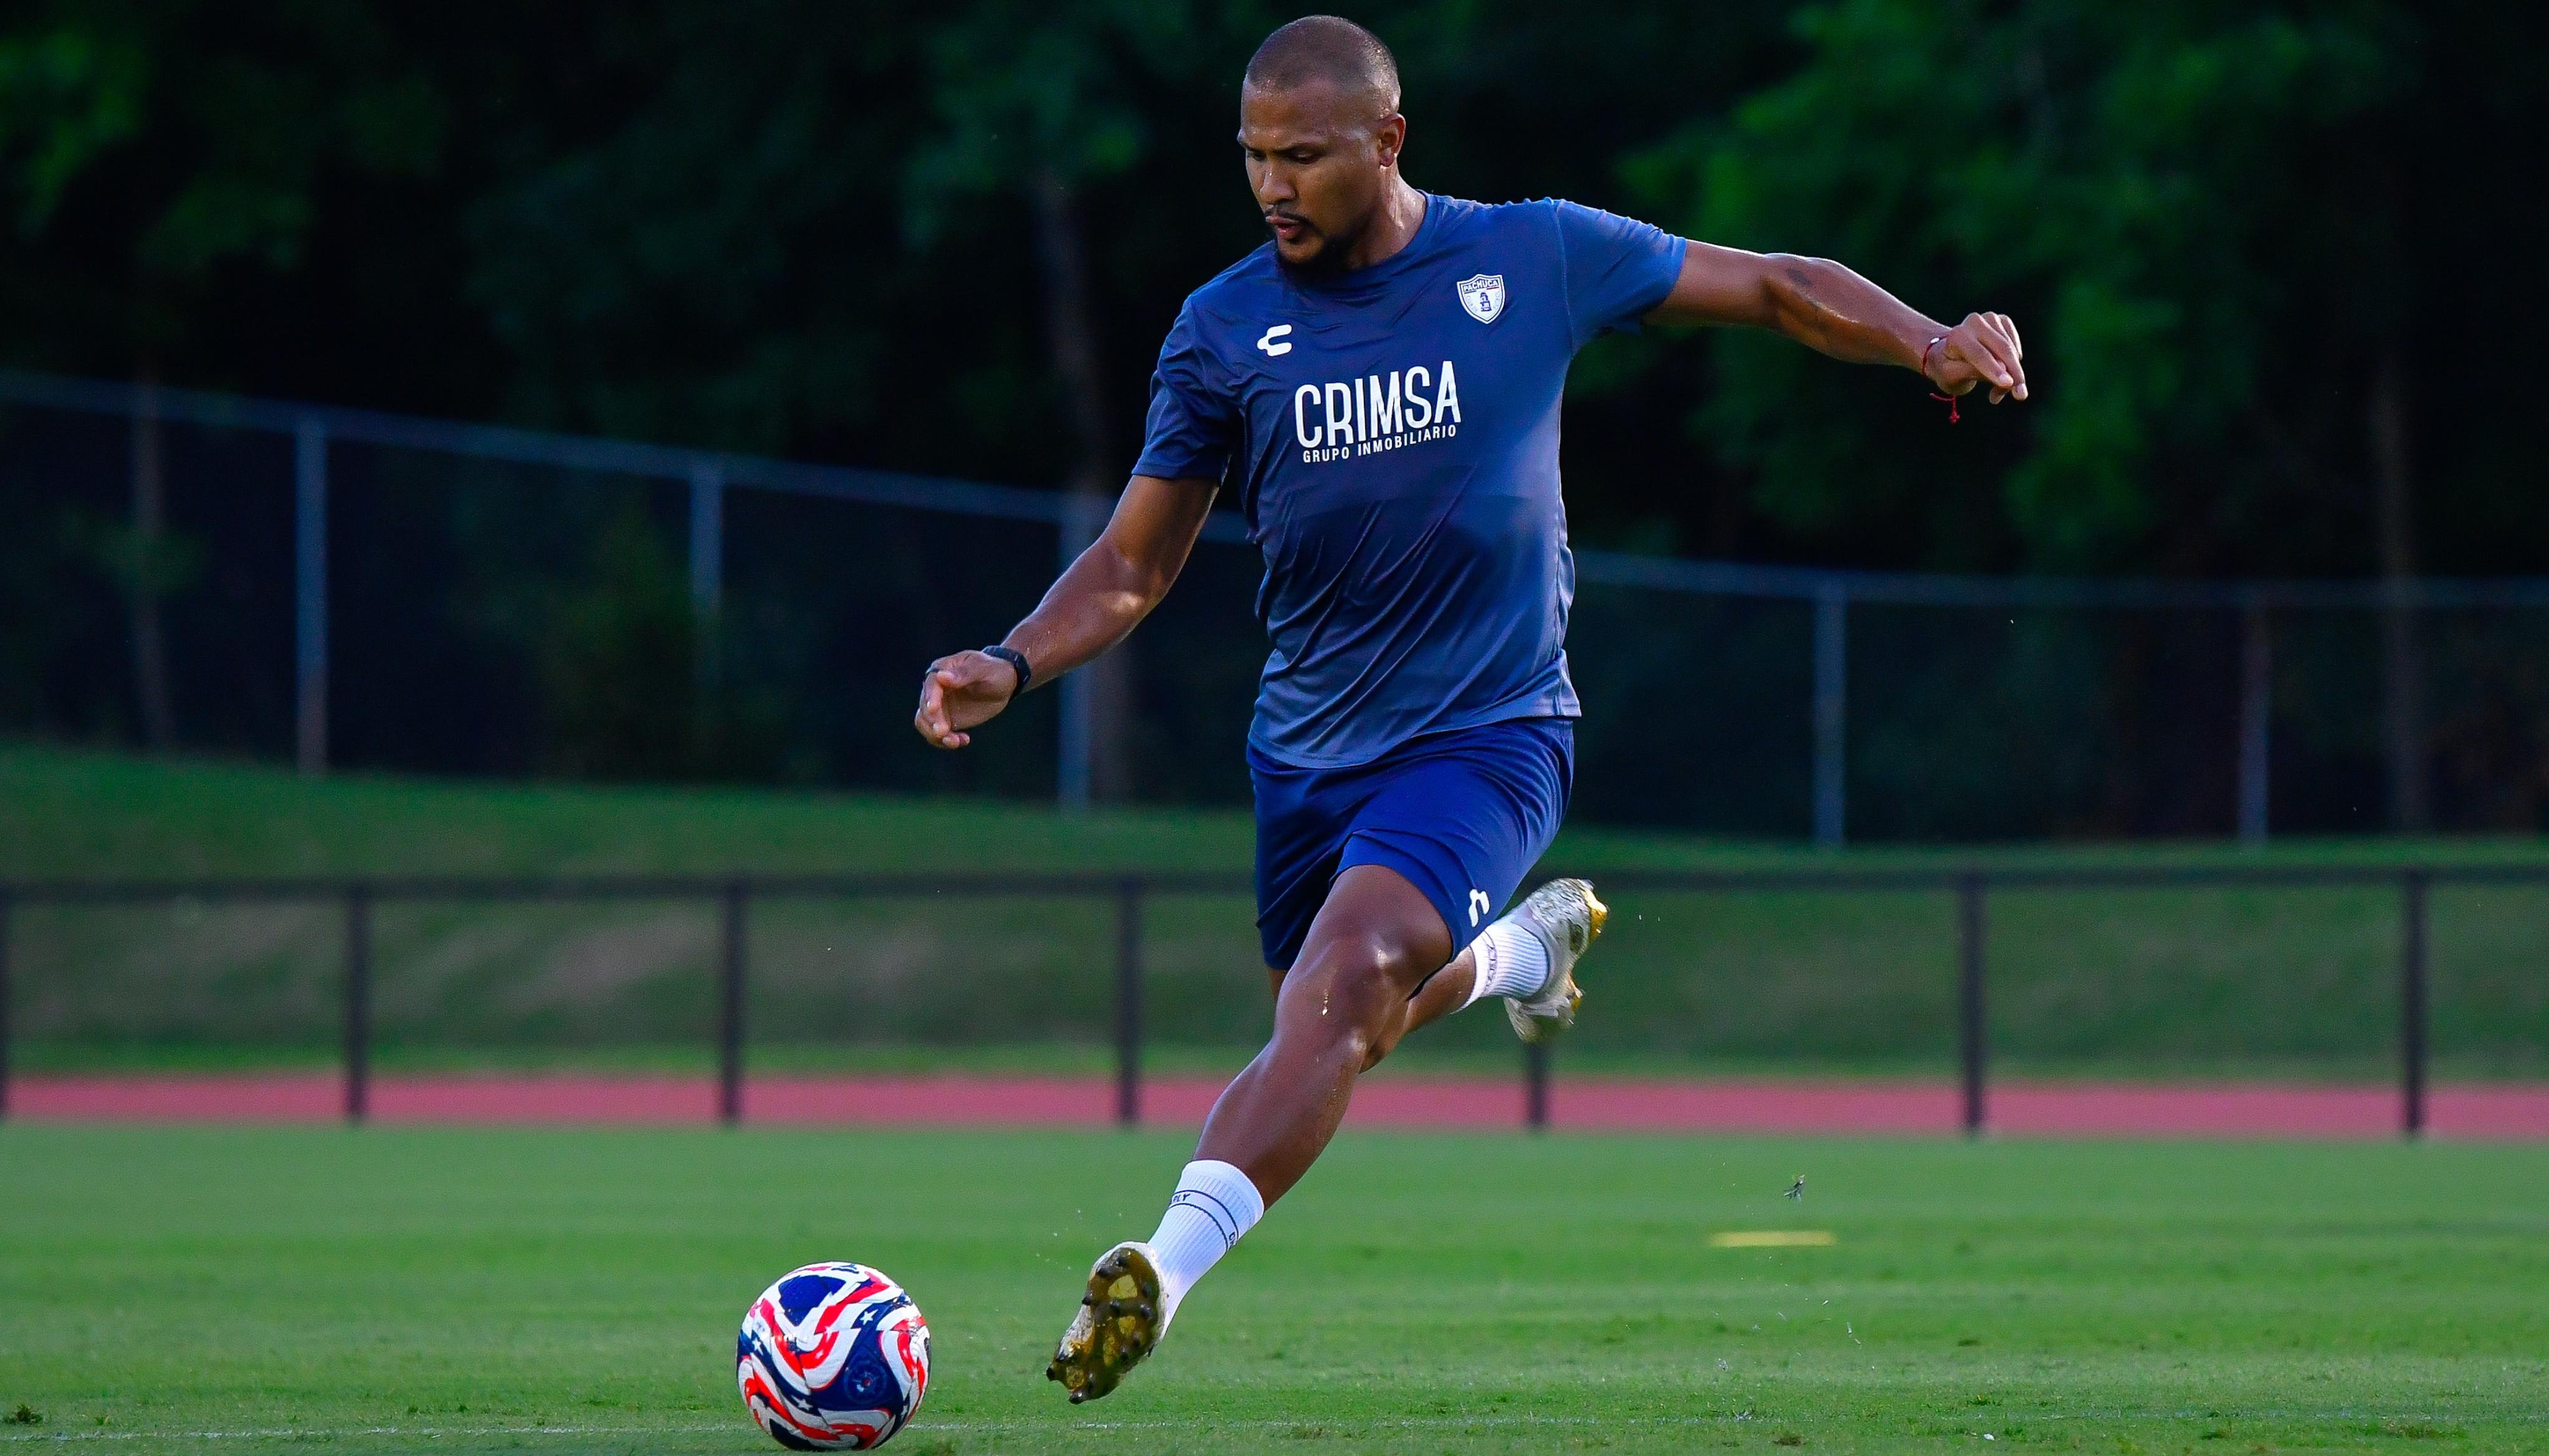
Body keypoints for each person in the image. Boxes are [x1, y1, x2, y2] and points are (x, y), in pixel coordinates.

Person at [912, 14, 2028, 1404]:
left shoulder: (1533, 253)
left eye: (1304, 157)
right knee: (1340, 1017)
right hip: (1307, 754)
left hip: (1493, 731)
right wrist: (1014, 661)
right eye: (1253, 157)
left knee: (1357, 970)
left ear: (1388, 141)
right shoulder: (1220, 330)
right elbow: (1137, 564)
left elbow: (1779, 286)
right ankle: (1521, 955)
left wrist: (1930, 340)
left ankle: (1160, 1265)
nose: (1273, 186)